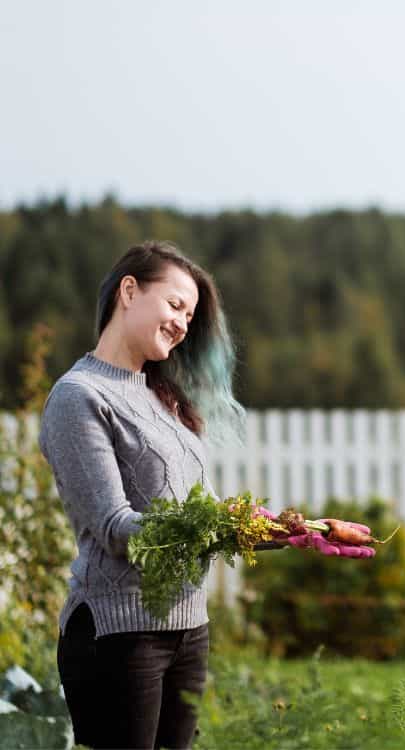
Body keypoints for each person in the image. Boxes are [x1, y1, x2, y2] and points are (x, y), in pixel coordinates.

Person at [39, 241, 374, 749]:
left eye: (191, 316)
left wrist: (298, 530)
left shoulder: (163, 398)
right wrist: (224, 527)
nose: (182, 324)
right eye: (175, 305)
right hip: (118, 633)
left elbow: (208, 517)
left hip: (188, 627)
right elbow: (115, 529)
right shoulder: (79, 398)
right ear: (129, 291)